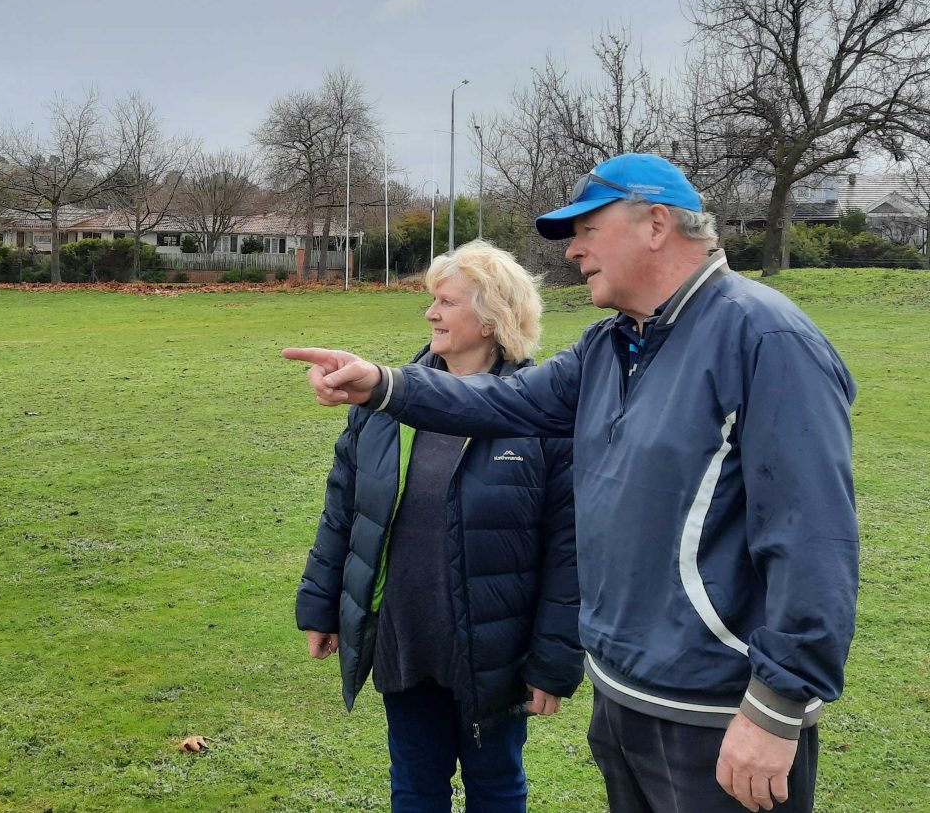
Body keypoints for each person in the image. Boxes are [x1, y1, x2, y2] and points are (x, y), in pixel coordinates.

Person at [283, 154, 858, 813]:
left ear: (657, 223)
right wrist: (384, 384)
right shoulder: (611, 345)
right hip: (625, 697)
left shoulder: (765, 337)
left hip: (719, 712)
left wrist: (777, 706)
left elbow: (814, 540)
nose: (575, 250)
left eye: (587, 227)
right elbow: (502, 404)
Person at [295, 241, 584, 812]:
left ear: (491, 318)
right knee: (415, 787)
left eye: (445, 302)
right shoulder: (384, 404)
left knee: (496, 787)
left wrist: (553, 660)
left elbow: (570, 551)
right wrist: (320, 607)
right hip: (406, 640)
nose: (430, 313)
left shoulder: (544, 418)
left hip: (493, 652)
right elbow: (343, 513)